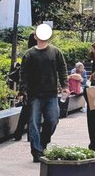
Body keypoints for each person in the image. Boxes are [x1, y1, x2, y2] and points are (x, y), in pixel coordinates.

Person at [20, 29, 69, 161]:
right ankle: (36, 152)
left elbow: (62, 69)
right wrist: (22, 91)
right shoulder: (29, 54)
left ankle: (43, 141)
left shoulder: (55, 52)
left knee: (53, 120)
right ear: (35, 36)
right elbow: (23, 74)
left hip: (51, 93)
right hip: (34, 94)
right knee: (34, 123)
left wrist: (65, 86)